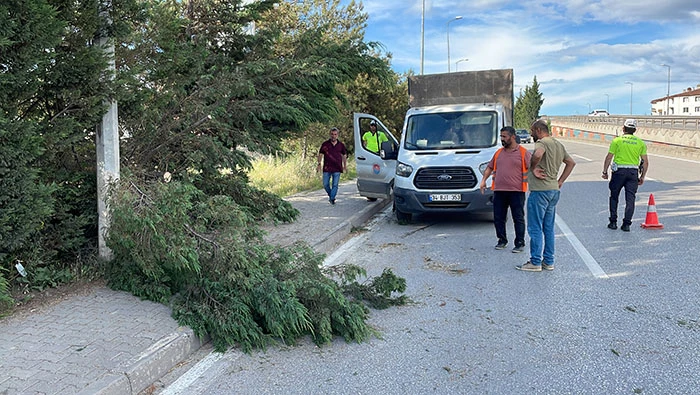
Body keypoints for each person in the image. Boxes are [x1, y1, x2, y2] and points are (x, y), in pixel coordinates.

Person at [516, 119, 576, 272]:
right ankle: (548, 261)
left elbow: (537, 154)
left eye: (532, 131)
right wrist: (560, 181)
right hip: (553, 190)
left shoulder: (542, 143)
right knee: (548, 227)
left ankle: (535, 261)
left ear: (538, 130)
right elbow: (571, 163)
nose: (530, 134)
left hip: (540, 191)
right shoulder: (558, 144)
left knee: (535, 227)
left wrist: (533, 168)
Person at [479, 126, 532, 253]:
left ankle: (519, 243)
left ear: (513, 137)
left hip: (517, 191)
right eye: (501, 136)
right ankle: (502, 240)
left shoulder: (524, 153)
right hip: (499, 191)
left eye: (504, 136)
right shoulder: (498, 153)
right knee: (499, 217)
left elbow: (533, 168)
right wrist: (483, 181)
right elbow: (489, 168)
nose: (502, 139)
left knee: (518, 217)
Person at [602, 119, 649, 232]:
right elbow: (645, 162)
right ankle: (626, 224)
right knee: (630, 199)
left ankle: (613, 222)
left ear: (623, 129)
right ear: (635, 130)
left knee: (614, 196)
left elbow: (609, 157)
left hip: (619, 172)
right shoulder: (640, 143)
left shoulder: (617, 141)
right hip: (633, 172)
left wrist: (605, 172)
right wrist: (642, 176)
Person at [317, 127, 347, 205]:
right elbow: (320, 154)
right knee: (325, 184)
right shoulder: (325, 144)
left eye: (335, 134)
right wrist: (319, 164)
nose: (333, 136)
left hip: (337, 168)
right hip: (327, 168)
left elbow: (344, 155)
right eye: (332, 134)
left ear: (338, 135)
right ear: (330, 135)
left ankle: (332, 198)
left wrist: (345, 165)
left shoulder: (341, 145)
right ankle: (331, 195)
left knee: (335, 185)